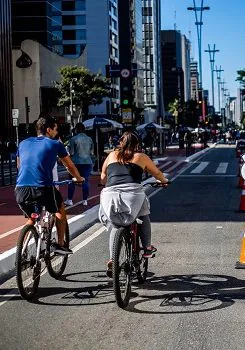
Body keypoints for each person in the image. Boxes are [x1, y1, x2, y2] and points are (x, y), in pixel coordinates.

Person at [99, 131, 169, 277]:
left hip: (110, 195)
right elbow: (157, 174)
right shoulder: (141, 157)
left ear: (120, 143)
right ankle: (147, 248)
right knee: (144, 213)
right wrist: (164, 182)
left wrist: (106, 183)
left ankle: (113, 259)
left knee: (114, 225)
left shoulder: (111, 155)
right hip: (133, 194)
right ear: (137, 144)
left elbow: (103, 176)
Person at [15, 116, 84, 255]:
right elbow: (68, 165)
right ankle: (59, 244)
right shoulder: (55, 144)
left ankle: (21, 253)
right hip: (43, 187)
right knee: (60, 210)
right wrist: (78, 178)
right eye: (55, 129)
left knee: (32, 218)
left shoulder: (23, 143)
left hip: (20, 189)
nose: (56, 132)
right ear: (48, 130)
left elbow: (19, 165)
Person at [64, 123, 94, 207]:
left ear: (76, 130)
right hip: (87, 162)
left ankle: (69, 200)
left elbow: (72, 152)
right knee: (86, 181)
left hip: (76, 162)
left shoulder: (73, 139)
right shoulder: (89, 139)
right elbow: (92, 152)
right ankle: (85, 200)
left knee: (72, 180)